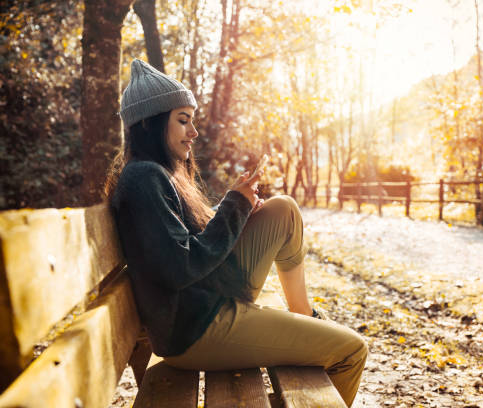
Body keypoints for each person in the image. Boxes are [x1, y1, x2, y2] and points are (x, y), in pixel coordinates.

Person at [105, 59, 367, 406]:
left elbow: (179, 240)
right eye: (183, 121)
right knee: (351, 350)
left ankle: (302, 311)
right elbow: (179, 266)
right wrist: (233, 208)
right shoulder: (143, 178)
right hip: (196, 330)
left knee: (282, 210)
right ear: (150, 125)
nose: (194, 133)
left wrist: (239, 207)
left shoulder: (155, 174)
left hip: (205, 303)